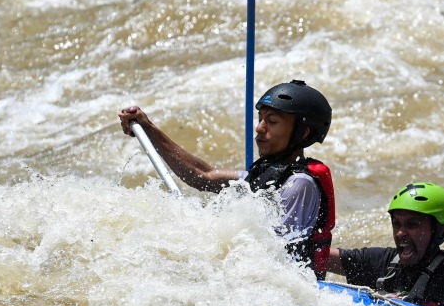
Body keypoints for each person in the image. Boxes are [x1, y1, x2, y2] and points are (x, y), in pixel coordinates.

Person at [118, 80, 336, 279]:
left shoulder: (299, 183)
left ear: (304, 133)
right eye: (260, 119)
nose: (259, 128)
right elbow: (203, 176)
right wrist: (148, 129)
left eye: (272, 121)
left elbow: (276, 257)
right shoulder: (266, 174)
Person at [327, 182, 444, 306]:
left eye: (412, 225)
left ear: (440, 231)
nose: (400, 233)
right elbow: (324, 258)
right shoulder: (383, 262)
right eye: (396, 224)